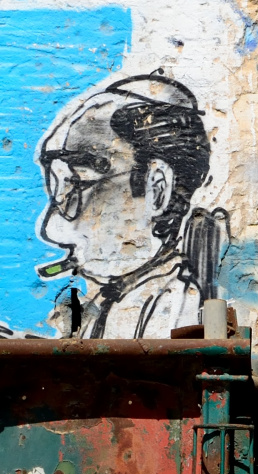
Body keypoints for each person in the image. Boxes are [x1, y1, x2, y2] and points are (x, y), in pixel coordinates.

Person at [37, 72, 226, 337]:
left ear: (157, 189)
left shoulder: (174, 310)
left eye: (79, 185)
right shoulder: (101, 301)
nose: (51, 230)